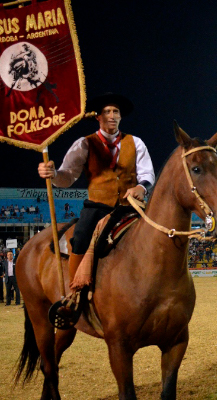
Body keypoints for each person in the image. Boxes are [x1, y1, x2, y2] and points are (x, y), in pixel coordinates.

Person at [37, 93, 155, 292]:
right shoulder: (84, 144)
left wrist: (140, 187)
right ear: (98, 117)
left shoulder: (136, 143)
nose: (112, 115)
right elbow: (67, 177)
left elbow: (147, 173)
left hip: (129, 207)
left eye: (115, 111)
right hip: (97, 207)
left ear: (120, 117)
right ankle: (75, 291)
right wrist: (53, 174)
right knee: (81, 237)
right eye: (107, 111)